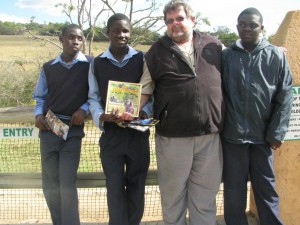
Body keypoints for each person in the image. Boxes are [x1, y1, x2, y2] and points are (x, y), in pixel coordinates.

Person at [140, 0, 224, 224]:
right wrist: (125, 109)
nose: (174, 24)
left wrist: (272, 50)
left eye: (179, 18)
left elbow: (238, 67)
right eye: (169, 21)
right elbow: (144, 90)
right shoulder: (155, 53)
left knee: (205, 198)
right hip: (172, 138)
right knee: (173, 197)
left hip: (210, 136)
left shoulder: (214, 46)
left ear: (192, 19)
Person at [221, 7, 293, 225]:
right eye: (242, 24)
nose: (247, 28)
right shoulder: (226, 56)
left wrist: (277, 132)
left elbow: (285, 96)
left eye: (252, 25)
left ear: (261, 27)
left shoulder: (276, 55)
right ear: (237, 27)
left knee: (266, 190)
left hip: (263, 138)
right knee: (234, 192)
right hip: (233, 137)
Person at [88, 13, 152, 225]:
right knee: (114, 187)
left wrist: (144, 111)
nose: (121, 34)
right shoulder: (97, 63)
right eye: (116, 30)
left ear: (130, 33)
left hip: (137, 134)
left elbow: (151, 92)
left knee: (136, 186)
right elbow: (93, 97)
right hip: (111, 136)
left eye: (125, 30)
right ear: (108, 32)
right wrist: (102, 116)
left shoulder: (142, 59)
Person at [33, 24, 93, 225]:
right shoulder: (48, 67)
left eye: (79, 38)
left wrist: (84, 109)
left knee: (67, 184)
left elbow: (96, 95)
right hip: (49, 130)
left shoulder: (90, 65)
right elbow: (40, 97)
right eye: (70, 37)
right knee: (50, 184)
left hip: (73, 133)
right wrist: (37, 115)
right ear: (61, 39)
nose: (75, 41)